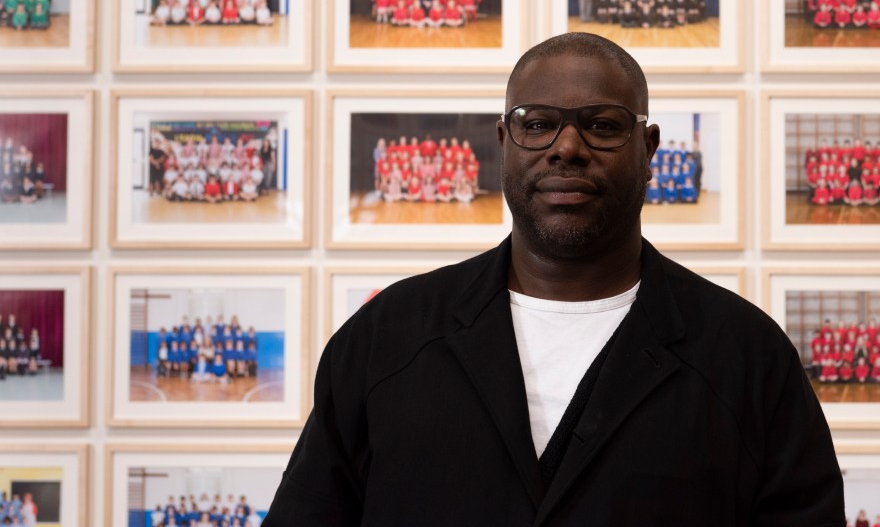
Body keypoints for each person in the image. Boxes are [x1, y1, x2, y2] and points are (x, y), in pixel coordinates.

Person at [264, 34, 844, 524]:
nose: (567, 147)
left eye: (602, 125)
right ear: (502, 144)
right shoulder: (386, 338)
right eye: (537, 124)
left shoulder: (746, 356)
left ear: (649, 150)